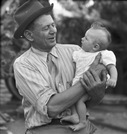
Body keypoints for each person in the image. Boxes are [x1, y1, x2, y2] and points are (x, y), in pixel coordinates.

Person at [13, 1, 107, 134]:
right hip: (45, 130)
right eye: (46, 28)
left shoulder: (75, 52)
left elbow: (89, 99)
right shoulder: (23, 64)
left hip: (80, 128)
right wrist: (88, 77)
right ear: (29, 35)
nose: (53, 31)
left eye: (53, 25)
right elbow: (51, 107)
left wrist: (97, 93)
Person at [61, 21, 118, 131]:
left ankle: (82, 121)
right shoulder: (79, 53)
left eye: (86, 38)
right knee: (70, 93)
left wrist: (114, 78)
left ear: (95, 46)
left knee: (79, 101)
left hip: (92, 83)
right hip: (79, 81)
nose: (82, 39)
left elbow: (111, 67)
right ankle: (74, 115)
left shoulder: (103, 55)